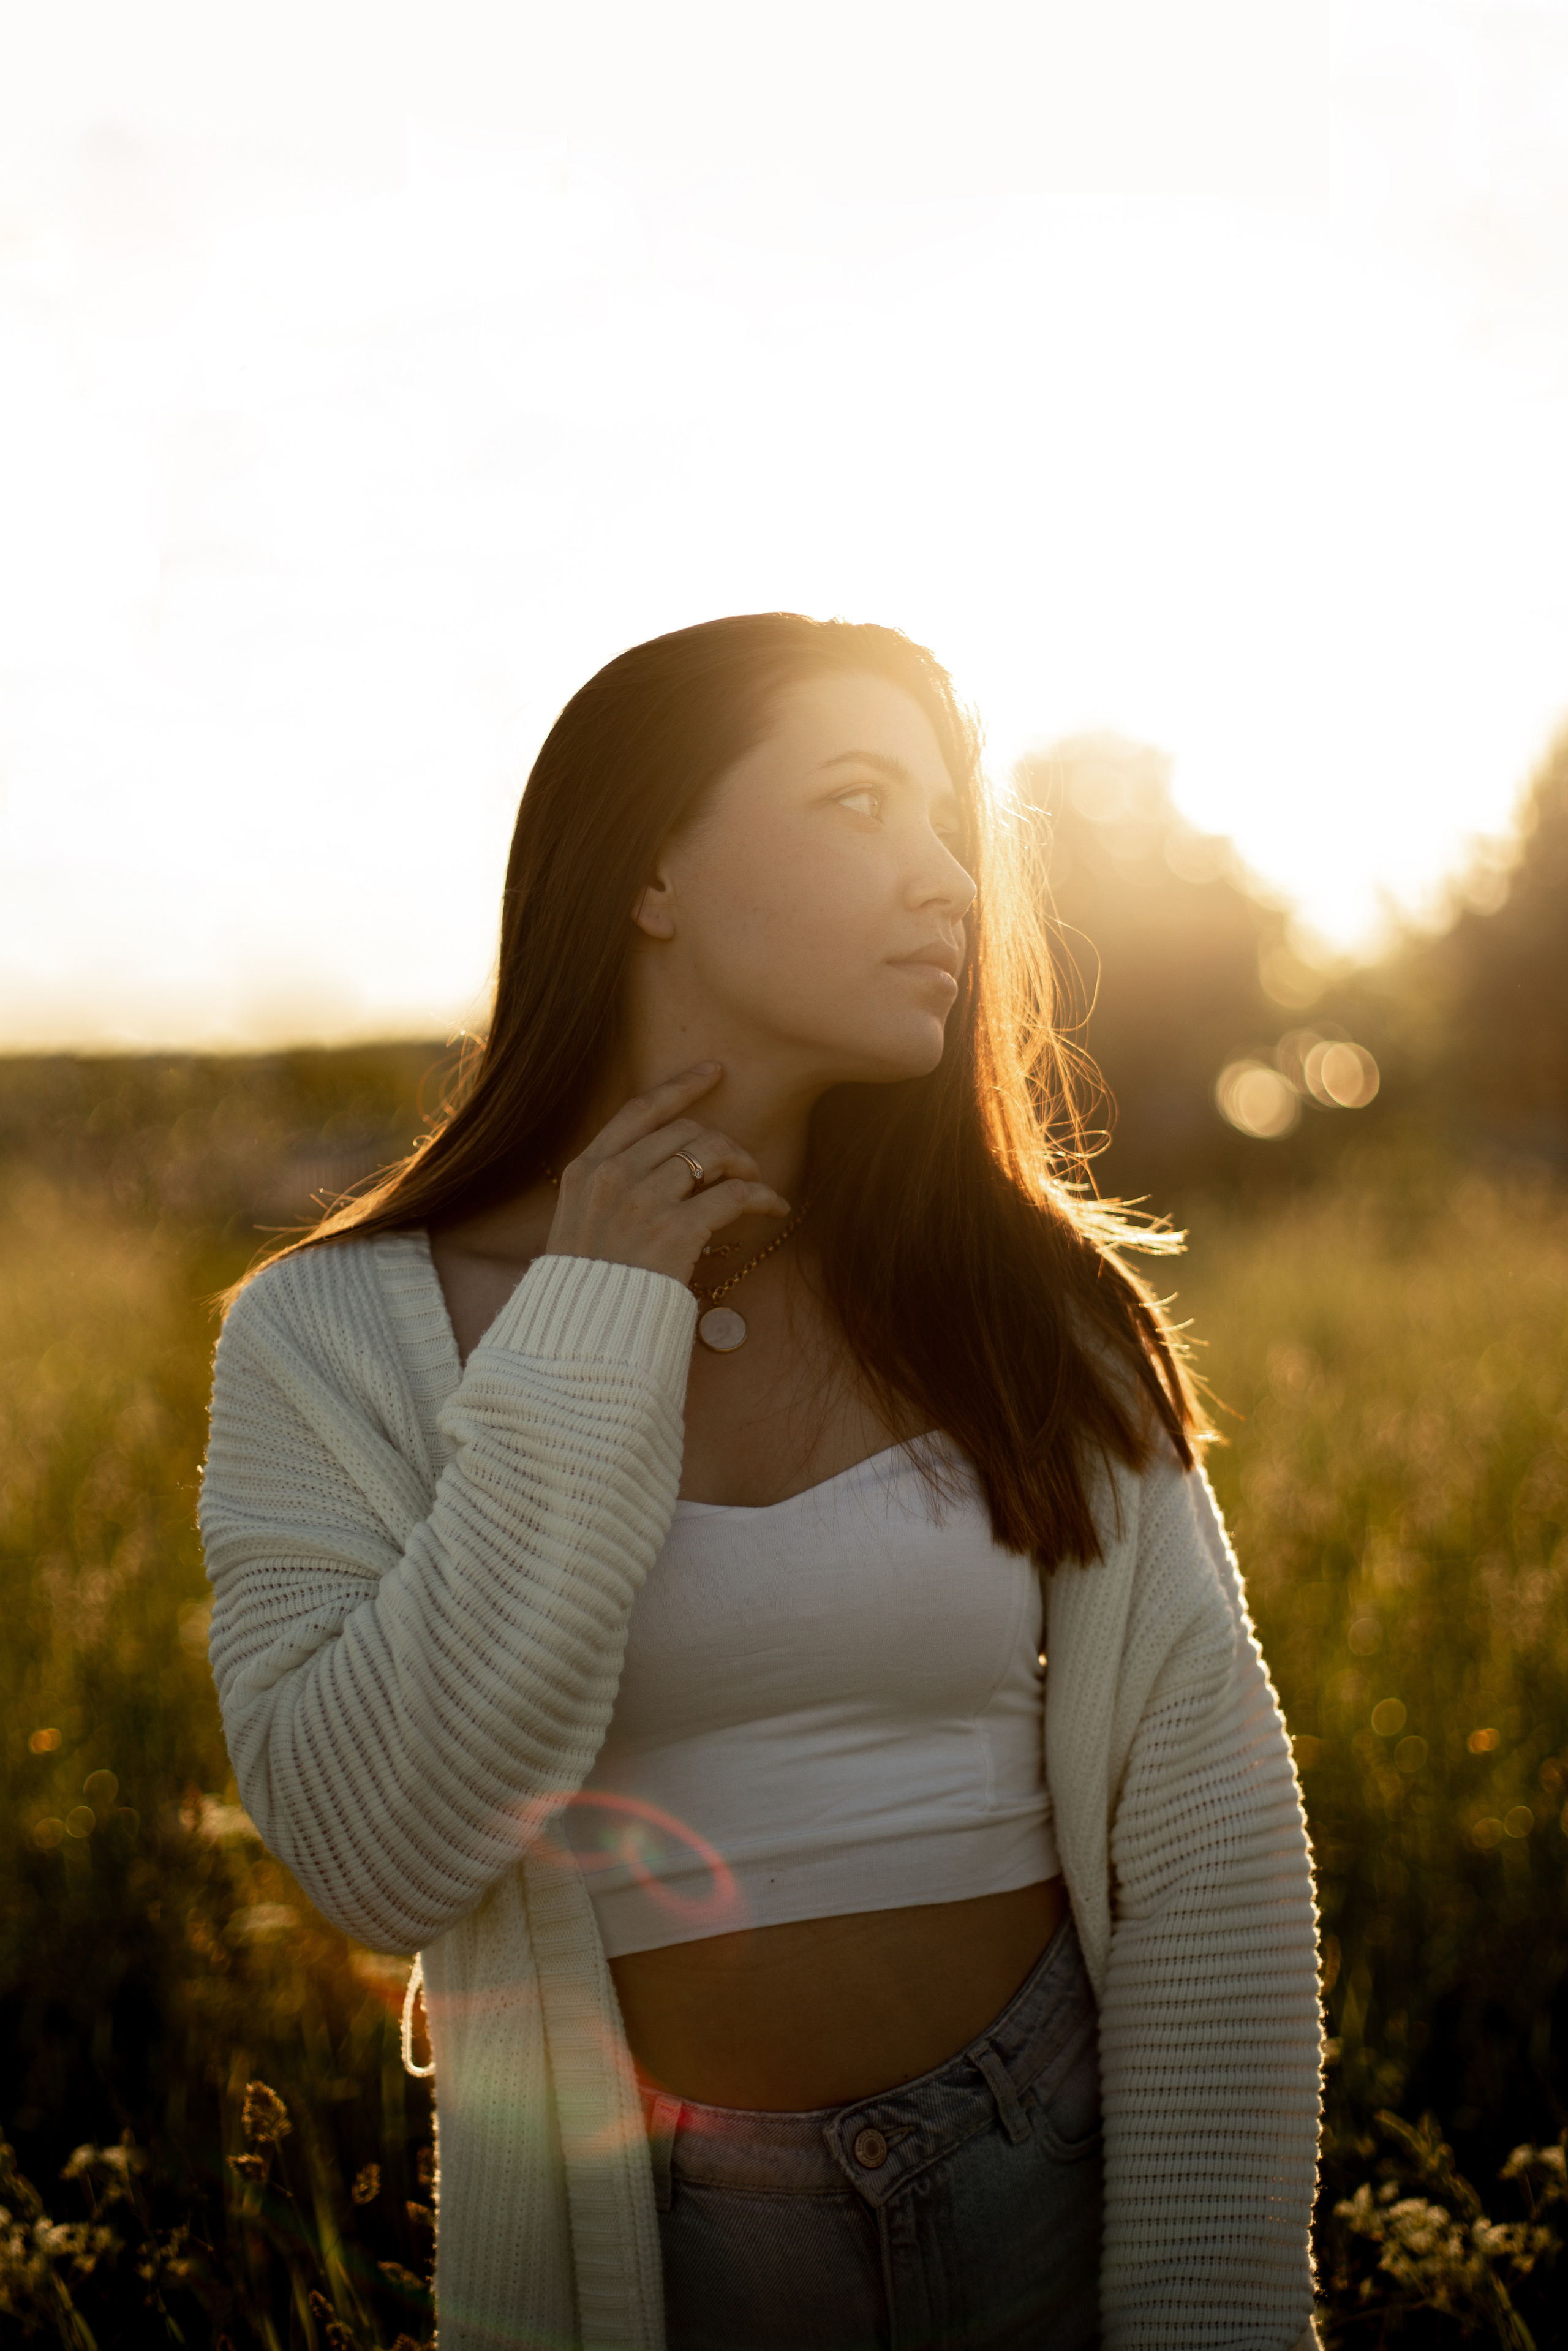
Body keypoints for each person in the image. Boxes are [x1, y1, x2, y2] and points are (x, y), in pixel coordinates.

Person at [199, 613, 1322, 2351]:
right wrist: (597, 1317)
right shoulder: (329, 1337)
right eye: (862, 804)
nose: (949, 882)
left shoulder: (1036, 1309)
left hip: (1061, 2184)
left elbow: (1213, 1839)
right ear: (650, 867)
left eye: (953, 826)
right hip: (657, 2242)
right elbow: (371, 1852)